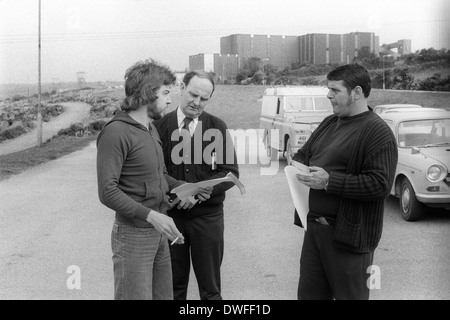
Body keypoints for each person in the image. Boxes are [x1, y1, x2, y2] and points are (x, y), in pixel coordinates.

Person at [96, 59, 211, 300]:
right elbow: (107, 191)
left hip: (159, 232)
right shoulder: (116, 132)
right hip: (133, 235)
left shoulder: (150, 128)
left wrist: (187, 187)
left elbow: (158, 176)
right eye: (165, 93)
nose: (170, 100)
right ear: (148, 93)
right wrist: (150, 215)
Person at [292, 64, 398, 300]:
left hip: (350, 239)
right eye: (328, 89)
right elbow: (303, 154)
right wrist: (296, 165)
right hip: (315, 232)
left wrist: (329, 181)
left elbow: (380, 185)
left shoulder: (377, 132)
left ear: (357, 92)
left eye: (335, 90)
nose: (328, 95)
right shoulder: (330, 122)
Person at [154, 70, 239, 300]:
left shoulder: (217, 126)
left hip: (208, 220)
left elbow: (230, 172)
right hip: (172, 219)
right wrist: (180, 194)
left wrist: (202, 191)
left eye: (204, 99)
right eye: (193, 95)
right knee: (172, 288)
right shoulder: (159, 127)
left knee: (211, 291)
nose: (197, 103)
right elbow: (155, 172)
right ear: (182, 88)